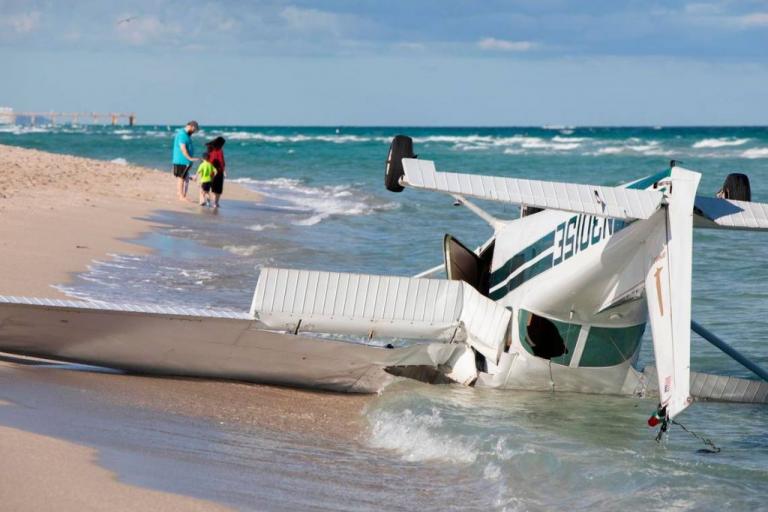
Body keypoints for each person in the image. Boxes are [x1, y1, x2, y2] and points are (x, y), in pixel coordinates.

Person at [171, 121, 199, 200]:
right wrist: (190, 158)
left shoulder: (186, 134)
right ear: (192, 126)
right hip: (182, 160)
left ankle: (181, 194)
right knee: (181, 178)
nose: (194, 132)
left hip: (184, 161)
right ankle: (181, 196)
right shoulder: (182, 134)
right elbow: (183, 148)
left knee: (183, 178)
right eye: (194, 130)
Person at [206, 136, 227, 208]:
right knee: (218, 189)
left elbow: (208, 159)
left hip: (210, 171)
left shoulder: (210, 149)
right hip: (218, 171)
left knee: (211, 187)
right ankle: (216, 203)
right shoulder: (219, 151)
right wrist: (224, 171)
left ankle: (208, 200)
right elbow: (221, 162)